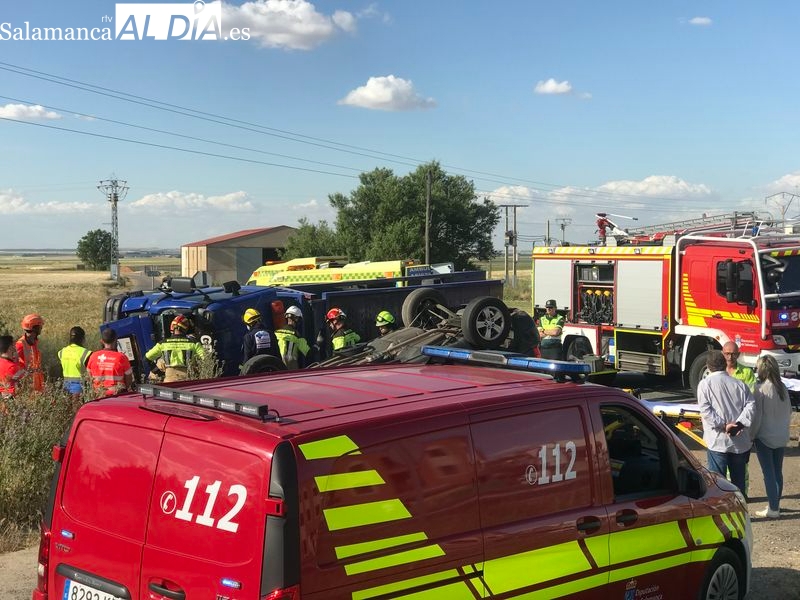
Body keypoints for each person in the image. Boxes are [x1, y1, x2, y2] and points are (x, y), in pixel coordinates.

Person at [697, 349, 755, 497]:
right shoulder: (739, 384)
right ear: (724, 364)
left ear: (708, 366)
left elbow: (706, 411)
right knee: (738, 481)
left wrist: (724, 426)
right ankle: (741, 511)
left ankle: (723, 513)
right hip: (739, 441)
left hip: (718, 441)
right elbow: (751, 406)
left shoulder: (705, 385)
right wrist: (739, 425)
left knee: (718, 482)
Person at [750, 355, 792, 518]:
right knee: (777, 471)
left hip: (765, 436)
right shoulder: (782, 387)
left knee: (768, 472)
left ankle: (773, 508)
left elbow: (757, 416)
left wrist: (751, 435)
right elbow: (788, 411)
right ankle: (776, 504)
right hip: (781, 435)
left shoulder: (760, 389)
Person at [146, 315, 206, 382]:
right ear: (186, 329)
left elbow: (147, 358)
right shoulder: (194, 343)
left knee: (160, 361)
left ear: (172, 327)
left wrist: (157, 370)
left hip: (169, 382)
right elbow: (206, 359)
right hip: (189, 381)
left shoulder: (162, 343)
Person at [86, 328, 133, 397]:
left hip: (98, 396)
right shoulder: (122, 357)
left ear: (101, 341)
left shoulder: (93, 356)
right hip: (117, 395)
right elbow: (129, 380)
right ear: (116, 340)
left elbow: (89, 378)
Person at [58, 326, 91, 397]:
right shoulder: (86, 353)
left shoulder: (61, 352)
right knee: (77, 407)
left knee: (66, 407)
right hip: (79, 386)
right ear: (82, 338)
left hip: (65, 385)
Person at [275, 306, 311, 370]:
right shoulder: (296, 336)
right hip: (291, 370)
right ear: (296, 319)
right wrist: (317, 344)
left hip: (277, 368)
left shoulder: (276, 333)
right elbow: (308, 353)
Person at [16, 313, 45, 392]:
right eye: (40, 326)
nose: (41, 328)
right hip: (26, 386)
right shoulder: (20, 344)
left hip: (37, 385)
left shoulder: (34, 342)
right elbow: (11, 365)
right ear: (34, 328)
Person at [0, 335, 23, 399]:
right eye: (14, 344)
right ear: (10, 348)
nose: (15, 347)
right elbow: (24, 379)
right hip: (12, 400)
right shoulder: (12, 367)